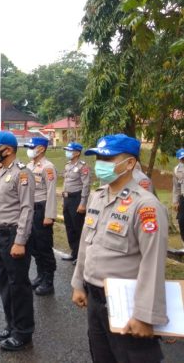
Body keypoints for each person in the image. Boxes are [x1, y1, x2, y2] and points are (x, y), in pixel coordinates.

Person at [71, 134, 168, 363]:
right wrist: (78, 284)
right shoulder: (97, 197)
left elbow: (152, 263)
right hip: (95, 301)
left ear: (130, 163)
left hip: (126, 305)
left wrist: (145, 315)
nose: (101, 164)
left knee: (133, 357)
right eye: (98, 158)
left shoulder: (145, 206)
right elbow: (87, 244)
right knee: (102, 357)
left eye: (109, 158)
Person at [0, 131, 35, 352]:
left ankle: (23, 332)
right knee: (4, 282)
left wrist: (20, 241)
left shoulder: (22, 173)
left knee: (18, 285)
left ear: (9, 150)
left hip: (14, 235)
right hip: (0, 234)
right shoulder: (1, 171)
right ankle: (11, 325)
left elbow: (26, 209)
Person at [25, 136, 57, 296]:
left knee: (44, 246)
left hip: (42, 208)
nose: (30, 149)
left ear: (42, 149)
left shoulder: (48, 167)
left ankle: (48, 281)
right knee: (34, 245)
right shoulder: (29, 165)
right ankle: (40, 275)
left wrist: (49, 215)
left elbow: (51, 193)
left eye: (33, 146)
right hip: (30, 208)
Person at [61, 142, 91, 265]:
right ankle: (74, 252)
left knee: (78, 228)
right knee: (69, 227)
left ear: (77, 153)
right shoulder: (68, 165)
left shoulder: (83, 166)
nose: (67, 152)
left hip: (77, 199)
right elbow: (65, 183)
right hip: (67, 199)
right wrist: (64, 200)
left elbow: (86, 185)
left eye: (69, 150)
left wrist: (83, 203)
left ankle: (81, 256)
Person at [173, 148, 184, 246]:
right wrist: (175, 202)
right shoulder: (177, 170)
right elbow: (176, 187)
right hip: (183, 199)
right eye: (182, 159)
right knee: (181, 221)